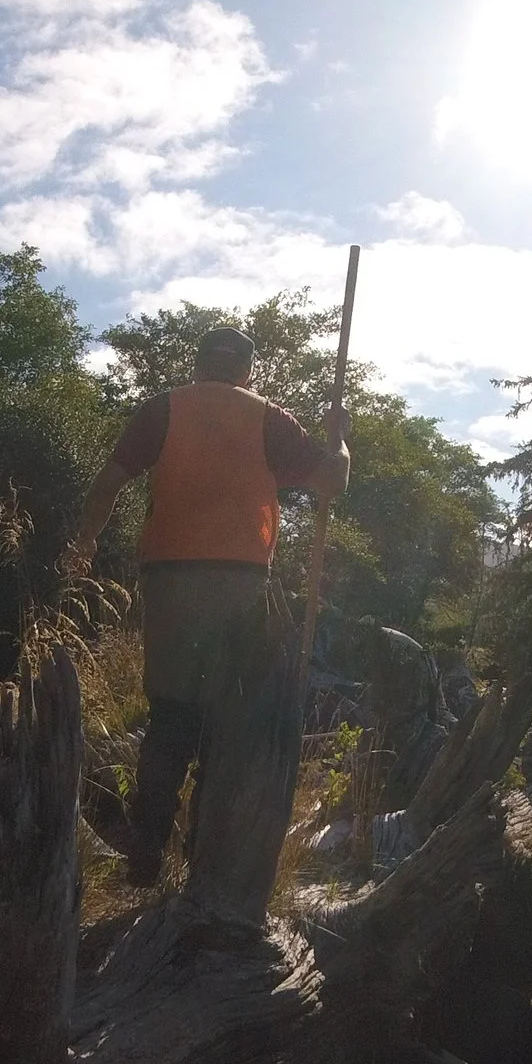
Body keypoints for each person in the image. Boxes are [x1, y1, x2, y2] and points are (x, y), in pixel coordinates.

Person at [63, 325, 349, 884]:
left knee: (170, 713)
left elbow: (107, 484)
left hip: (169, 579)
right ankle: (204, 859)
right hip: (241, 585)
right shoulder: (269, 417)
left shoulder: (162, 410)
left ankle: (144, 856)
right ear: (247, 370)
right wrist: (339, 437)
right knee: (225, 717)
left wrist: (86, 540)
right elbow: (331, 482)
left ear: (198, 366)